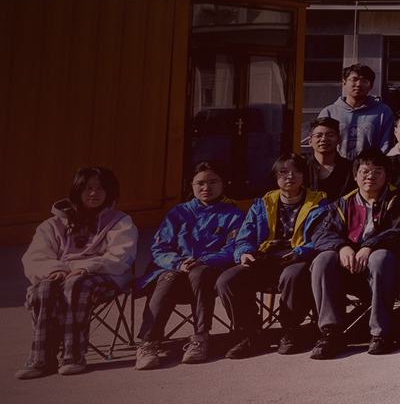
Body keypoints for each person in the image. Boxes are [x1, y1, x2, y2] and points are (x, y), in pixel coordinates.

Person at [17, 167, 136, 379]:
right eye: (87, 188)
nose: (94, 193)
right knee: (45, 287)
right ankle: (41, 358)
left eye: (101, 188)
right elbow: (36, 256)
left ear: (110, 192)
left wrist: (87, 267)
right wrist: (54, 269)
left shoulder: (120, 221)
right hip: (61, 275)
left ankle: (73, 355)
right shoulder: (52, 224)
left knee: (77, 284)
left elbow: (121, 255)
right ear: (77, 190)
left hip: (103, 274)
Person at [217, 155, 332, 360]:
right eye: (283, 172)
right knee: (227, 280)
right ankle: (252, 334)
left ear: (304, 176)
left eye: (296, 172)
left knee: (292, 275)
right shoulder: (262, 204)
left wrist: (299, 252)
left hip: (299, 258)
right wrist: (244, 252)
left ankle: (290, 330)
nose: (290, 176)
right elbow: (245, 236)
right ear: (275, 176)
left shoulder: (319, 203)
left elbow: (322, 237)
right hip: (265, 259)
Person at [135, 162, 246, 369]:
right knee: (168, 276)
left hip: (208, 274)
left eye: (213, 182)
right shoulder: (178, 213)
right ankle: (148, 343)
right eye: (200, 183)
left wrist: (204, 260)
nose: (206, 188)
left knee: (199, 272)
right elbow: (160, 248)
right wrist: (178, 262)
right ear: (192, 185)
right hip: (176, 272)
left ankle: (200, 338)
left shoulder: (234, 215)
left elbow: (233, 248)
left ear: (223, 184)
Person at [309, 150, 400, 359]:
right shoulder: (342, 204)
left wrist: (370, 246)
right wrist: (341, 247)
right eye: (364, 171)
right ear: (355, 176)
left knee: (380, 257)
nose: (370, 176)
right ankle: (331, 332)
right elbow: (321, 234)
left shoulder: (398, 201)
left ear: (386, 176)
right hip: (348, 268)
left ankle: (381, 333)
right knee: (323, 259)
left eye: (377, 172)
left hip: (384, 269)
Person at [317, 64, 397, 161]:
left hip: (369, 167)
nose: (359, 84)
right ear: (344, 83)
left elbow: (386, 144)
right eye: (354, 80)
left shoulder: (383, 112)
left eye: (365, 81)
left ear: (371, 86)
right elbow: (320, 142)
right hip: (336, 166)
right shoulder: (329, 112)